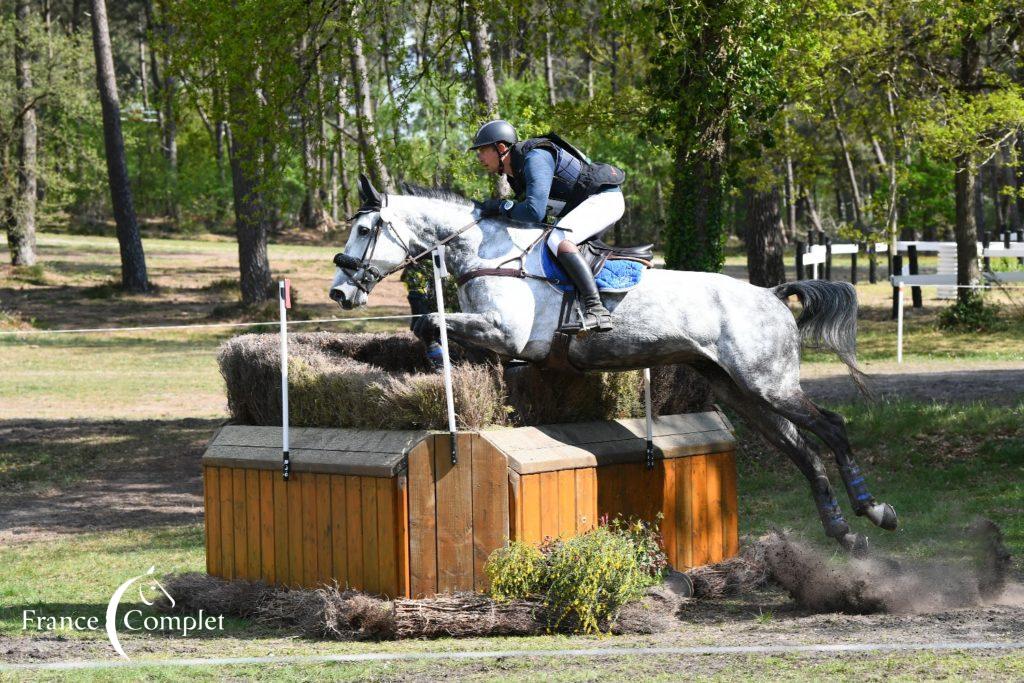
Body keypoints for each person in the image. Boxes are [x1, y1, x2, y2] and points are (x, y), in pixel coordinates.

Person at [468, 119, 625, 332]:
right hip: (586, 204)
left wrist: (500, 206)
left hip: (604, 200)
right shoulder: (517, 173)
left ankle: (597, 310)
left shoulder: (535, 158)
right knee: (543, 244)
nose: (479, 157)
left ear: (501, 148)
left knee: (559, 239)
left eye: (482, 150)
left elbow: (534, 212)